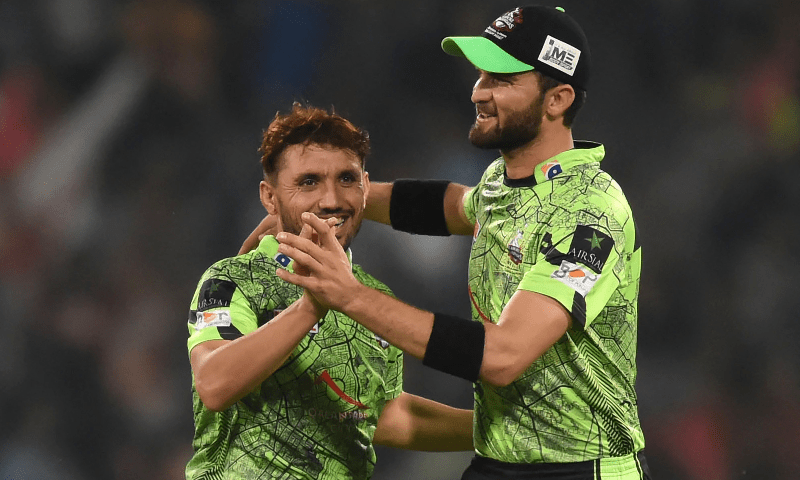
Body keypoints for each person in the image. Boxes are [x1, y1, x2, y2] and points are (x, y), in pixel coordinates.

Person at [272, 6, 652, 480]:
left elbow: (502, 356)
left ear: (557, 99)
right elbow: (453, 205)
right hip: (496, 462)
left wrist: (349, 296)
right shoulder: (507, 180)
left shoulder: (592, 212)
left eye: (502, 79)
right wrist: (330, 198)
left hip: (579, 468)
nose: (478, 91)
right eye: (480, 74)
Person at [185, 103, 473, 480]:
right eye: (308, 182)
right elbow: (214, 384)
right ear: (270, 198)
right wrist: (311, 308)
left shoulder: (371, 296)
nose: (331, 200)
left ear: (366, 189)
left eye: (347, 179)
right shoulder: (233, 279)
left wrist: (494, 429)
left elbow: (382, 414)